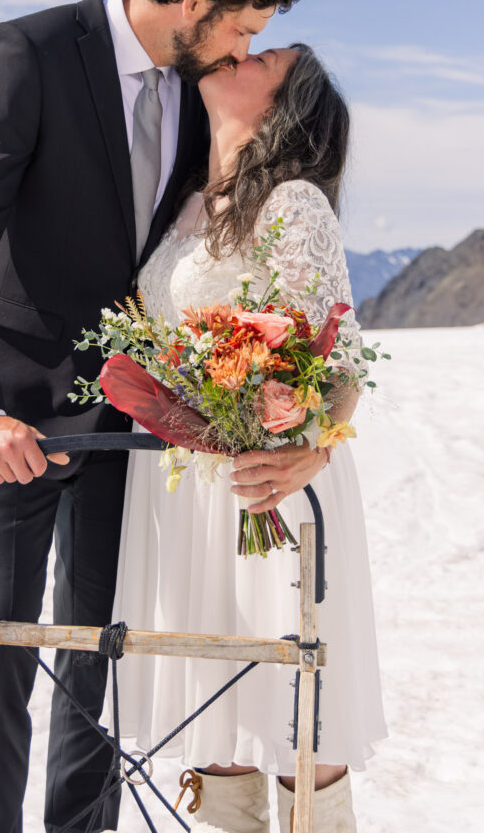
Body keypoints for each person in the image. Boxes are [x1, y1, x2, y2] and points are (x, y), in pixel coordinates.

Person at [0, 0, 308, 833]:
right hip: (14, 422)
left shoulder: (196, 91)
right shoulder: (29, 51)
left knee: (100, 656)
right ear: (195, 0)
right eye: (242, 28)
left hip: (136, 428)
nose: (244, 49)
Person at [107, 45, 388, 832]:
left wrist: (316, 446)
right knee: (214, 711)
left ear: (280, 103)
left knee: (300, 711)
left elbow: (340, 354)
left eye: (264, 55)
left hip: (271, 477)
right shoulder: (185, 199)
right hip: (185, 486)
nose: (242, 49)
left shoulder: (292, 203)